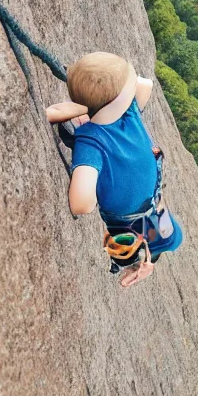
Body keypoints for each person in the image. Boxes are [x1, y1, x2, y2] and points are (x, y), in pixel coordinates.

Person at [45, 52, 183, 288]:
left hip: (151, 199)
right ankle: (127, 263)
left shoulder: (127, 110)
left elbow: (144, 85)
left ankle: (148, 256)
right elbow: (82, 204)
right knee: (126, 249)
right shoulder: (91, 142)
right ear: (118, 99)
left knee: (167, 237)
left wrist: (83, 105)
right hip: (124, 218)